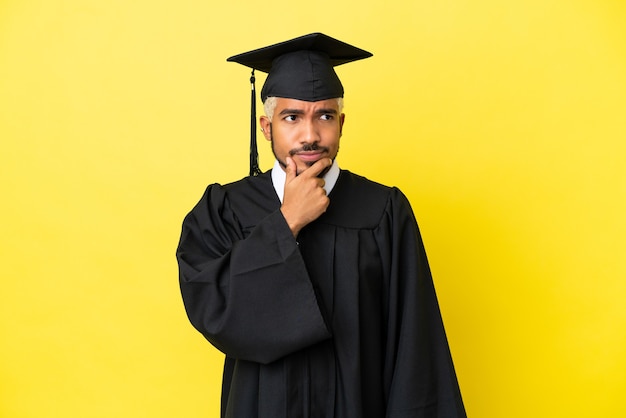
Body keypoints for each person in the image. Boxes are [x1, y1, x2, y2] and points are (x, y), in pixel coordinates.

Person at [176, 33, 466, 418]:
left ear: (341, 123)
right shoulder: (225, 209)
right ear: (266, 127)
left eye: (324, 116)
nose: (310, 135)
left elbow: (415, 347)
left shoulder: (383, 211)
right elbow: (215, 310)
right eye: (292, 117)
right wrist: (287, 221)